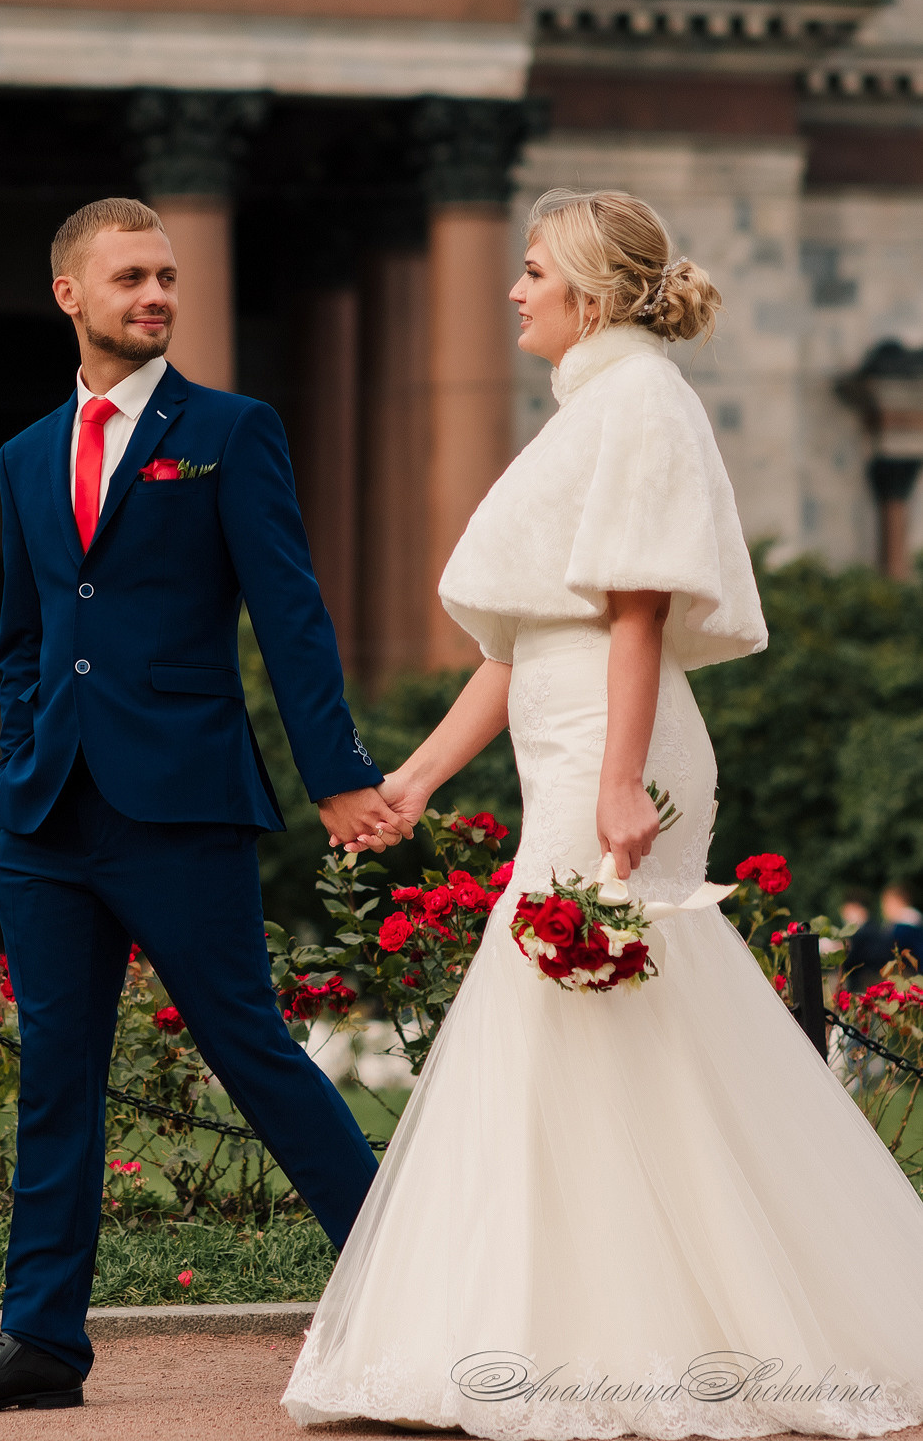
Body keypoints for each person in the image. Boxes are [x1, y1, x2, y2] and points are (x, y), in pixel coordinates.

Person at [283, 189, 923, 1436]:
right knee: (586, 1011)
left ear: (585, 290)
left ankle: (625, 1334)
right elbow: (520, 643)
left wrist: (620, 780)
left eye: (531, 271)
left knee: (587, 994)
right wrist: (416, 778)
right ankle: (576, 1320)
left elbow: (636, 609)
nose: (512, 291)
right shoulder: (594, 405)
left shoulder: (638, 400)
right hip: (568, 744)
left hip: (608, 751)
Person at [0, 196, 407, 1417]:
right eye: (131, 276)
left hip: (181, 801)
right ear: (69, 293)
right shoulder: (26, 455)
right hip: (47, 816)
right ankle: (40, 1341)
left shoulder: (228, 431)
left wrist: (335, 773)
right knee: (55, 1077)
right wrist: (17, 760)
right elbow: (24, 638)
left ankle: (410, 1292)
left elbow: (289, 612)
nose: (157, 295)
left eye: (167, 276)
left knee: (249, 1049)